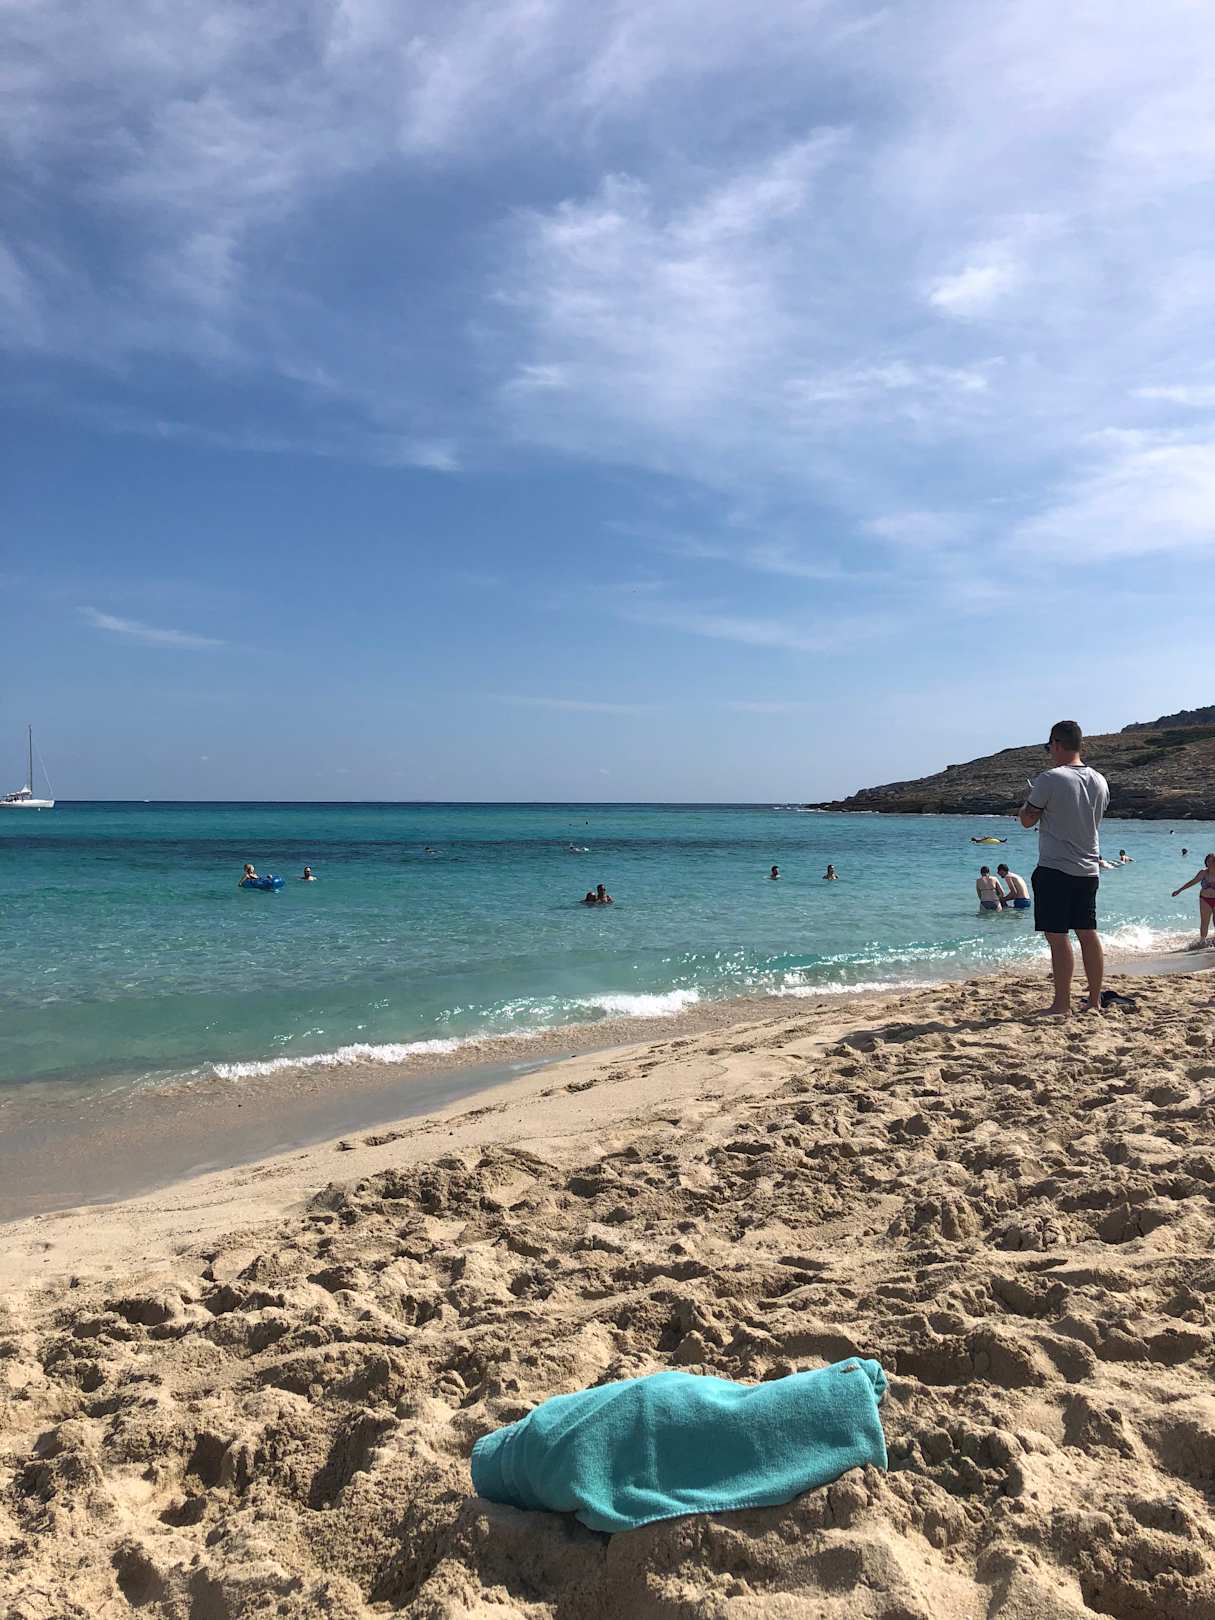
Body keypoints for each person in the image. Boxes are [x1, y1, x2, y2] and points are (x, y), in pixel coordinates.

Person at [1019, 720, 1109, 1016]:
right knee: (1088, 933)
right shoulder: (1099, 780)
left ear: (1057, 744)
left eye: (1049, 747)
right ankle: (1094, 1001)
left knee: (1057, 937)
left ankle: (1061, 1004)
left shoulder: (1050, 778)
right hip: (1089, 868)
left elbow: (1027, 820)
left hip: (1055, 867)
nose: (1049, 753)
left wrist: (1025, 805)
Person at [1173, 853, 1215, 943]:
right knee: (1205, 921)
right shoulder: (1203, 872)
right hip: (1205, 899)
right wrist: (1179, 890)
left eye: (1212, 861)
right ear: (1206, 862)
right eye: (1208, 861)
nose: (1210, 863)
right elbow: (1192, 882)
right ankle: (1202, 941)